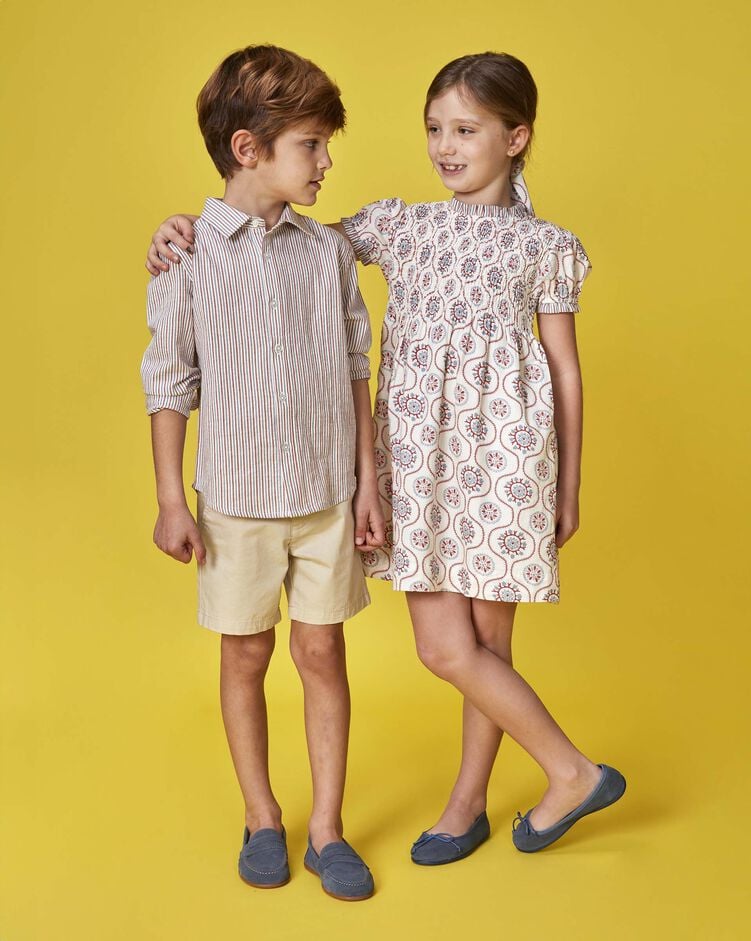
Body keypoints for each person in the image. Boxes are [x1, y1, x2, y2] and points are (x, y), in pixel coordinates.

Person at [145, 51, 626, 864]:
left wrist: (568, 485)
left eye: (466, 129)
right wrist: (183, 226)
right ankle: (573, 771)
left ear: (516, 138)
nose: (445, 145)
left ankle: (467, 806)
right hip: (420, 463)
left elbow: (565, 370)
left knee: (488, 648)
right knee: (446, 649)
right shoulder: (402, 226)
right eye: (435, 128)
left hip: (508, 461)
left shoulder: (547, 246)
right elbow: (282, 238)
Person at [140, 44, 383, 900]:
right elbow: (169, 381)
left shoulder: (326, 253)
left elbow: (355, 367)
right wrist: (171, 498)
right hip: (236, 503)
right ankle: (261, 815)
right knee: (246, 653)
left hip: (325, 496)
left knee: (323, 648)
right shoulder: (187, 255)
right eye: (311, 145)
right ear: (249, 148)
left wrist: (368, 481)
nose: (325, 163)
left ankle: (328, 828)